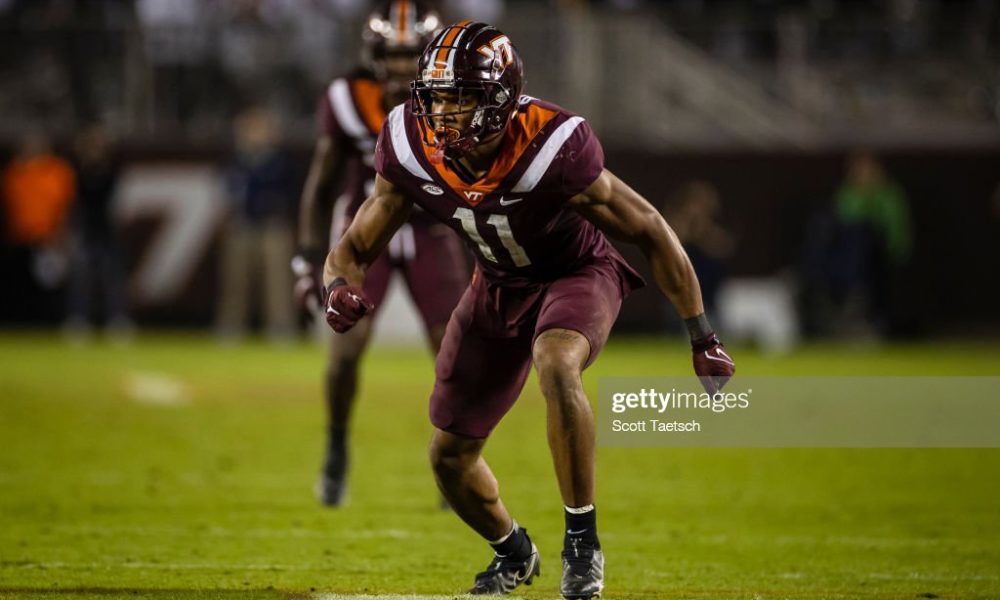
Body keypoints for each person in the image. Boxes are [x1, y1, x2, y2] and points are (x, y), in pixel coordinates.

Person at [320, 21, 735, 599]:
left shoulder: (552, 145)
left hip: (576, 271)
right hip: (495, 286)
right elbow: (354, 247)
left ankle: (582, 543)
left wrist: (701, 334)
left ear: (497, 98)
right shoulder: (410, 145)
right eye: (436, 97)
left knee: (557, 362)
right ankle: (514, 552)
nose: (443, 113)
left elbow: (649, 229)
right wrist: (337, 287)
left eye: (459, 98)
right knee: (448, 458)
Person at [292, 0, 469, 507]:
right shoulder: (349, 98)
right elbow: (320, 185)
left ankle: (457, 462)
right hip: (364, 230)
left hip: (429, 227)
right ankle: (337, 445)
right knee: (347, 348)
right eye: (391, 56)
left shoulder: (453, 97)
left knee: (452, 352)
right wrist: (307, 258)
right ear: (373, 56)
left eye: (409, 55)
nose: (398, 67)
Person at [216, 106, 297, 343]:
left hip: (273, 225)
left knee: (277, 282)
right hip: (242, 224)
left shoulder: (280, 161)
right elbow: (224, 192)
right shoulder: (235, 161)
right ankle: (231, 325)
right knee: (235, 280)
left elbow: (293, 194)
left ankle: (281, 327)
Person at [64, 123, 133, 341]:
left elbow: (117, 201)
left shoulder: (112, 170)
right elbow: (72, 202)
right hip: (85, 229)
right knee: (81, 278)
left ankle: (118, 319)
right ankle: (78, 319)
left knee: (112, 278)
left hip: (106, 229)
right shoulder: (76, 170)